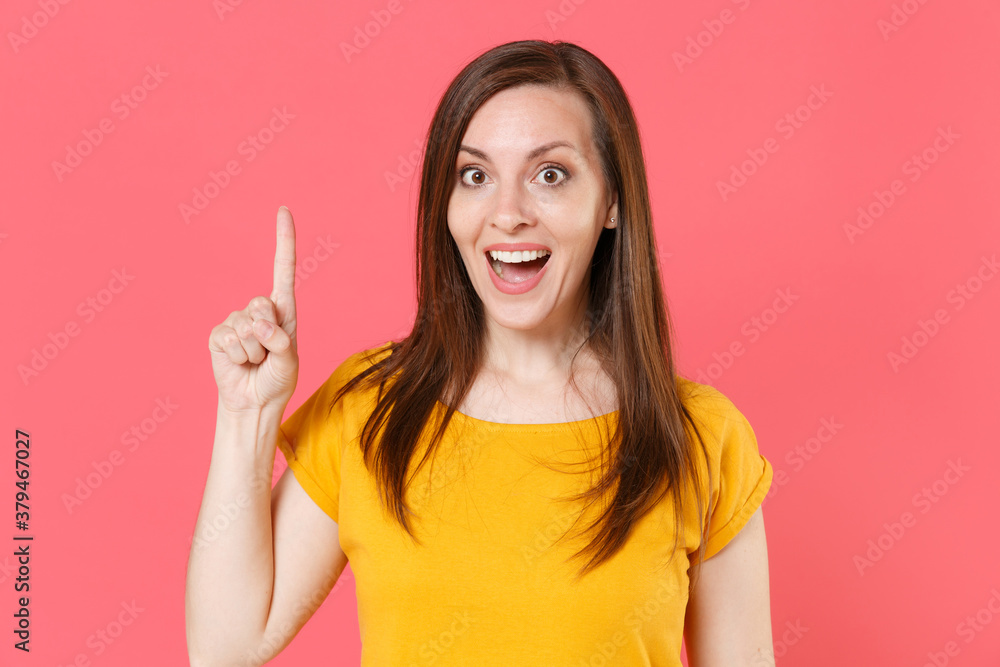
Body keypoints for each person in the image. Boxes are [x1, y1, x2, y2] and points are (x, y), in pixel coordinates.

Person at [185, 39, 775, 666]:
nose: (508, 214)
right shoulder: (370, 410)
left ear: (611, 203)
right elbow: (225, 649)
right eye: (475, 176)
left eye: (550, 175)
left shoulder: (700, 438)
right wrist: (246, 414)